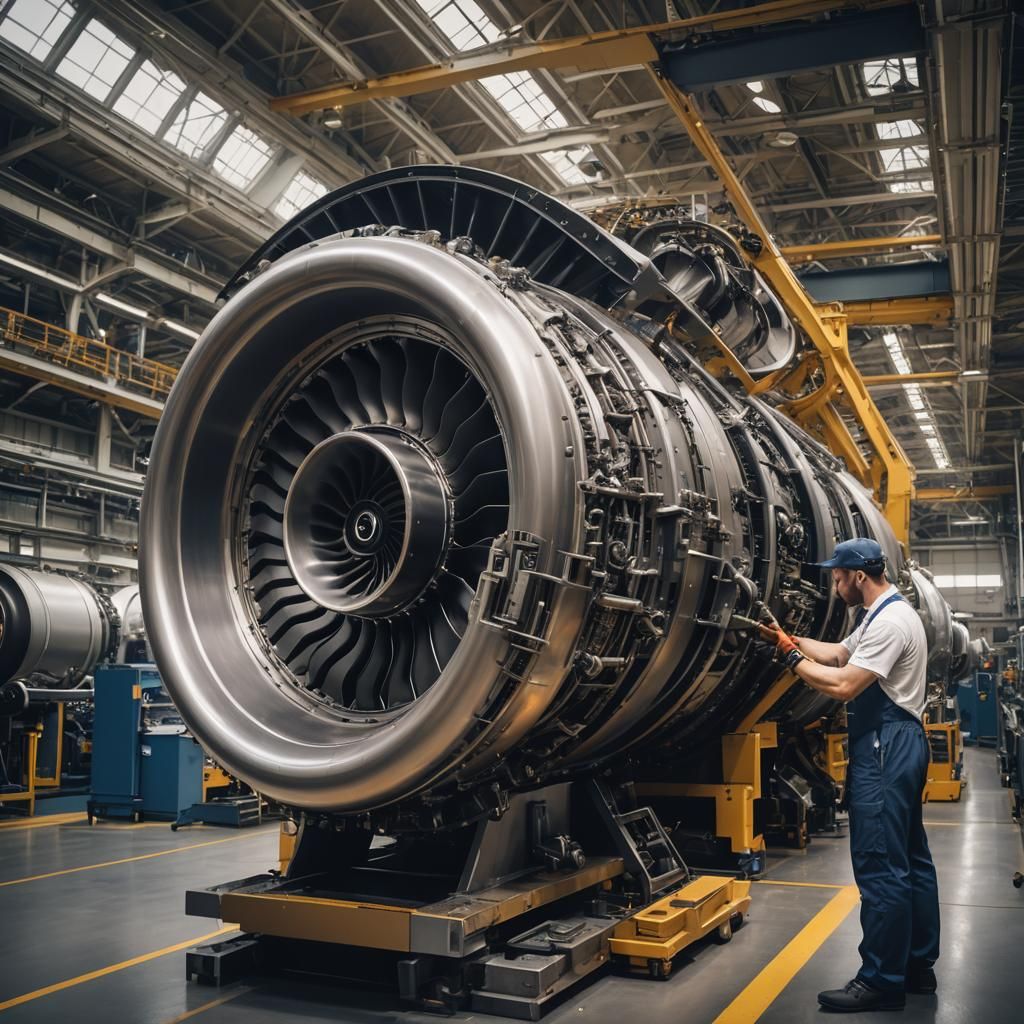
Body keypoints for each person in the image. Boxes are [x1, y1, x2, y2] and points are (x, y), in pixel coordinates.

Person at [763, 537, 940, 1013]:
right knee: (911, 859)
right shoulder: (882, 614)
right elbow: (839, 655)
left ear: (859, 575)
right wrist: (790, 639)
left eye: (838, 576)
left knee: (881, 863)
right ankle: (917, 966)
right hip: (899, 742)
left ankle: (881, 980)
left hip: (886, 746)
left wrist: (789, 661)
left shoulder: (891, 623)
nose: (834, 583)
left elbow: (842, 684)